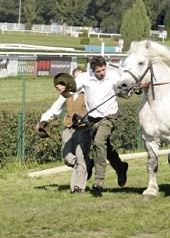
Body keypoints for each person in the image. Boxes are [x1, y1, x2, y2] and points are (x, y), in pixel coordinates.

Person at [71, 56, 128, 193]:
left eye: (103, 70)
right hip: (92, 119)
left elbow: (126, 92)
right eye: (99, 71)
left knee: (99, 141)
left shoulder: (114, 76)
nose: (102, 73)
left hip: (109, 117)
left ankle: (99, 180)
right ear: (92, 70)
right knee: (105, 148)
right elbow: (72, 88)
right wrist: (64, 87)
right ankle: (120, 167)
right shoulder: (85, 77)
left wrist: (127, 92)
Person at [37, 67, 92, 193]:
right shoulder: (66, 94)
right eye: (76, 77)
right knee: (68, 158)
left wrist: (86, 120)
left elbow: (93, 111)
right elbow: (55, 108)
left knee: (81, 156)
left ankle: (78, 187)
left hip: (84, 129)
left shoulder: (88, 93)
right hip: (68, 129)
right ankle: (87, 164)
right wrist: (43, 120)